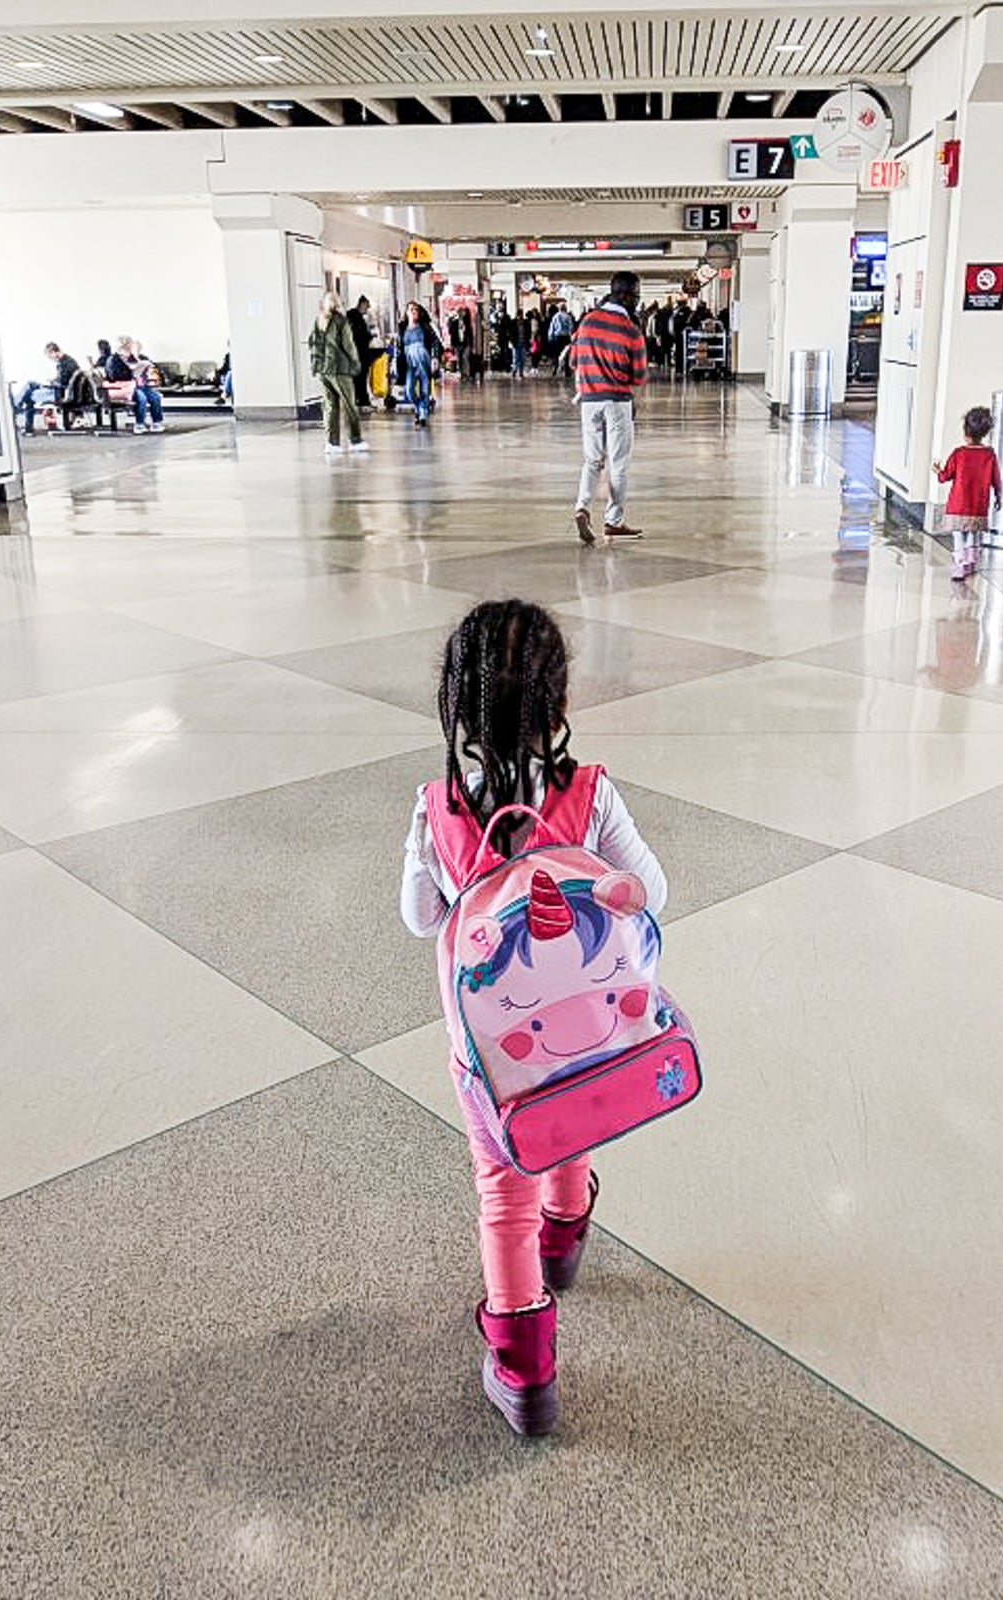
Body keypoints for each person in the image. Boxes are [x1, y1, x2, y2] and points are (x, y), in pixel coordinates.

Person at [399, 598, 668, 1437]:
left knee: (498, 1190)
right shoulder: (589, 796)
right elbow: (651, 893)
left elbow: (417, 916)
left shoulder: (438, 807)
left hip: (489, 1054)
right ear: (560, 709)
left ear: (459, 711)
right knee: (566, 1121)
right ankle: (568, 1226)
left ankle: (524, 1365)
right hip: (586, 1035)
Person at [571, 270, 648, 545]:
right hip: (617, 403)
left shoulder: (587, 322)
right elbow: (638, 376)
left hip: (589, 402)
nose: (637, 302)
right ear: (626, 295)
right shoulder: (631, 330)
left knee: (592, 460)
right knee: (619, 464)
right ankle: (613, 522)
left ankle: (582, 508)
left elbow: (573, 361)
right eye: (636, 296)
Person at [934, 405, 1002, 581]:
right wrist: (999, 496)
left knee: (958, 533)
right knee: (973, 532)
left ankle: (959, 565)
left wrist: (938, 471)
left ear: (965, 431)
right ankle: (971, 562)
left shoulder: (959, 454)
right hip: (978, 504)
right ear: (985, 433)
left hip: (959, 504)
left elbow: (945, 476)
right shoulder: (989, 454)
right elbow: (996, 478)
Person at [308, 291, 366, 458]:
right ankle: (355, 440)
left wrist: (316, 366)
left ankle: (332, 442)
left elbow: (313, 343)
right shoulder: (341, 321)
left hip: (322, 370)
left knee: (330, 406)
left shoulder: (318, 321)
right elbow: (348, 345)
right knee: (350, 405)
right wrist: (355, 363)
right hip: (339, 369)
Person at [17, 342, 81, 435]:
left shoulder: (63, 364)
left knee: (29, 395)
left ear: (53, 352)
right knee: (30, 386)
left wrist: (49, 383)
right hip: (63, 391)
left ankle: (19, 413)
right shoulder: (71, 361)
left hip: (58, 393)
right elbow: (63, 380)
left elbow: (61, 383)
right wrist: (51, 382)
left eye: (50, 357)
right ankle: (17, 406)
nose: (51, 359)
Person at [401, 301, 443, 427]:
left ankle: (423, 414)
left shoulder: (425, 327)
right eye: (411, 309)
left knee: (425, 388)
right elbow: (399, 346)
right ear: (407, 312)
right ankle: (419, 406)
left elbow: (435, 342)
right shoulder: (403, 328)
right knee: (409, 390)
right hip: (409, 361)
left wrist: (435, 358)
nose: (414, 312)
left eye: (416, 310)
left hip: (423, 359)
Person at [119, 337, 165, 434]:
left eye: (139, 348)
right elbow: (120, 374)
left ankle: (157, 422)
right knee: (142, 398)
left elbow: (154, 368)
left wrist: (149, 369)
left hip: (143, 385)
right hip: (131, 387)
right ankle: (139, 423)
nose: (137, 350)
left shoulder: (144, 358)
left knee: (156, 397)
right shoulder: (122, 359)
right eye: (135, 348)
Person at [347, 297, 376, 412]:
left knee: (359, 379)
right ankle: (362, 403)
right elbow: (359, 336)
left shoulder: (354, 317)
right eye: (367, 306)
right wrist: (369, 336)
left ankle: (361, 402)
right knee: (360, 379)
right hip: (358, 354)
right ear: (362, 304)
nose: (367, 309)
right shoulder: (355, 318)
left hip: (357, 353)